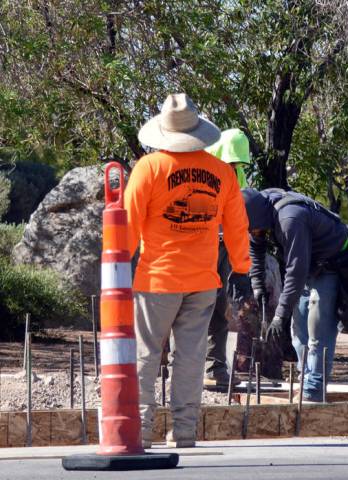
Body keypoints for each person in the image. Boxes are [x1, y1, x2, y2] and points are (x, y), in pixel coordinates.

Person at [125, 93, 252, 448]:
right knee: (192, 357)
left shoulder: (148, 169)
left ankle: (140, 430)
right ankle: (183, 431)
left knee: (147, 354)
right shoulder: (222, 172)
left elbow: (129, 226)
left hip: (157, 280)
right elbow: (238, 227)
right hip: (202, 282)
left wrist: (118, 268)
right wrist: (241, 269)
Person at [240, 188, 348, 402]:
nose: (254, 232)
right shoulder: (261, 208)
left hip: (335, 262)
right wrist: (258, 285)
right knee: (299, 331)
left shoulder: (290, 218)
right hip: (311, 266)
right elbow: (256, 248)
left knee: (318, 327)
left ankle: (314, 389)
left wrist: (280, 315)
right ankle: (305, 381)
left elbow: (295, 272)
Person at [203, 128, 252, 387]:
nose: (233, 167)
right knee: (192, 307)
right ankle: (177, 367)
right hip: (201, 245)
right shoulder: (202, 169)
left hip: (224, 248)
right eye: (230, 161)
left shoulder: (236, 174)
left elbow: (238, 217)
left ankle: (215, 368)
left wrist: (240, 264)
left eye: (237, 162)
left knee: (219, 308)